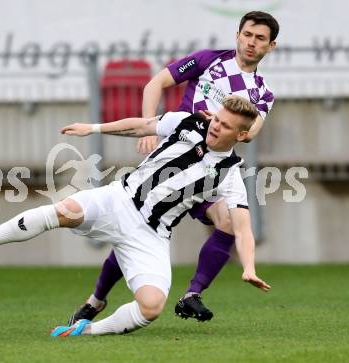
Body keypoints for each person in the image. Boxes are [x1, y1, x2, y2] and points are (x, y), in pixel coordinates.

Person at [0, 95, 271, 337]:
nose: (216, 126)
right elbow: (140, 125)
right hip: (119, 199)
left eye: (226, 126)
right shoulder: (187, 123)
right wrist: (92, 129)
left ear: (241, 135)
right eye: (217, 118)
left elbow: (242, 230)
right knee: (65, 210)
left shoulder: (229, 175)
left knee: (152, 306)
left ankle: (86, 331)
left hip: (151, 234)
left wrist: (249, 267)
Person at [69, 10, 279, 324]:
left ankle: (192, 295)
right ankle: (96, 300)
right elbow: (157, 83)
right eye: (247, 34)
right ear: (238, 34)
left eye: (260, 38)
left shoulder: (262, 94)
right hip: (176, 158)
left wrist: (230, 125)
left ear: (270, 46)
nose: (251, 42)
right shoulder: (209, 60)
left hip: (210, 171)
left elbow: (251, 133)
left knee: (228, 223)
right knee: (137, 227)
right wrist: (149, 127)